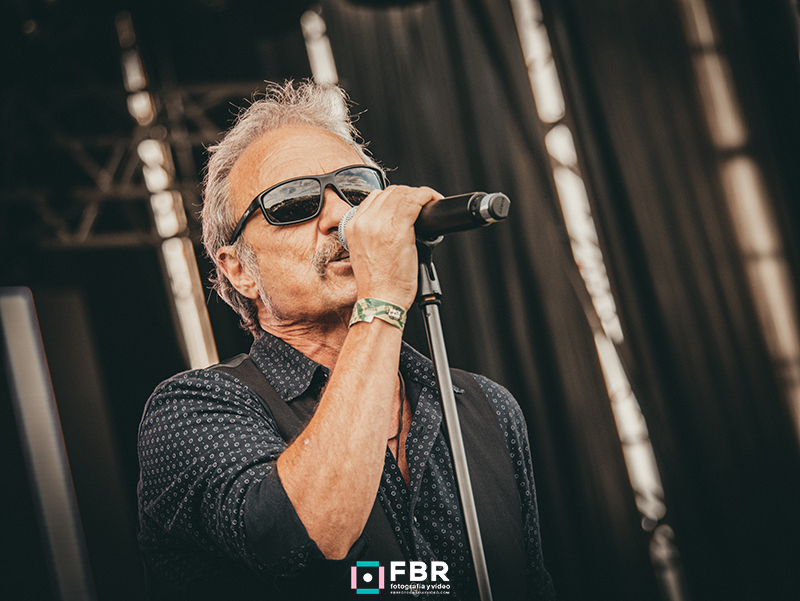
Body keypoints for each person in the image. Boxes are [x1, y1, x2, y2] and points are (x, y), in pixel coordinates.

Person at [137, 80, 555, 600]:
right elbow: (305, 543)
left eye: (356, 191)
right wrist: (382, 299)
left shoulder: (486, 407)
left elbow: (519, 584)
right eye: (294, 202)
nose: (342, 217)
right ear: (238, 270)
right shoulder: (193, 410)